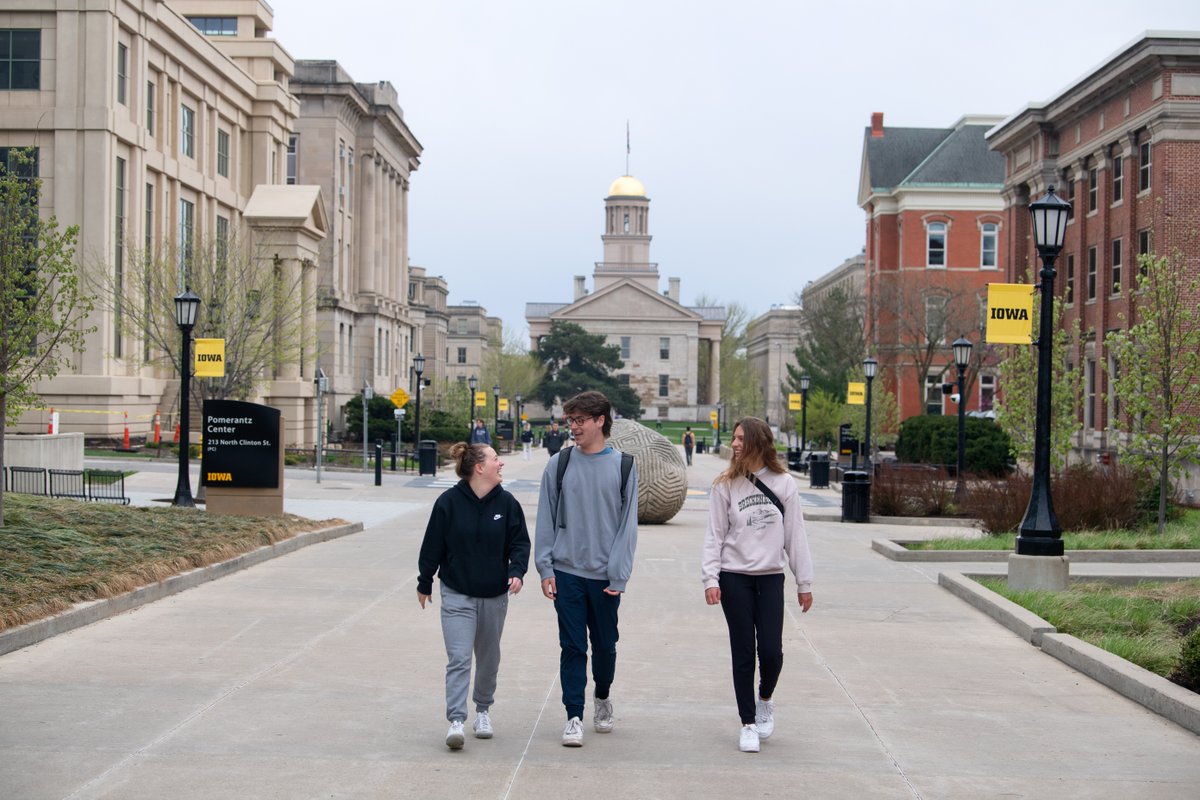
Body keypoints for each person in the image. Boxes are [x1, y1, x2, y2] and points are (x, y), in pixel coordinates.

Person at [701, 416, 813, 754]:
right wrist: (710, 577)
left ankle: (765, 698)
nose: (734, 444)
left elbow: (796, 536)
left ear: (758, 443)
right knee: (744, 652)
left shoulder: (784, 484)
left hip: (770, 578)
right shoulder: (725, 485)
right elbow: (714, 536)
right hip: (734, 578)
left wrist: (803, 581)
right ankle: (748, 722)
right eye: (733, 438)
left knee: (771, 652)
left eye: (740, 439)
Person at [535, 391, 638, 747]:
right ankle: (573, 715)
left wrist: (619, 574)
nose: (574, 427)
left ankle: (603, 695)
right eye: (571, 421)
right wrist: (545, 568)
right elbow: (545, 518)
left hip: (606, 577)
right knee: (573, 646)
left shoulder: (624, 466)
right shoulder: (558, 465)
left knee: (606, 647)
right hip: (566, 572)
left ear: (600, 420)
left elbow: (628, 527)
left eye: (580, 420)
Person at [417, 442, 530, 750]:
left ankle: (483, 710)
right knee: (459, 658)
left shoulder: (507, 504)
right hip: (456, 594)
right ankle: (456, 720)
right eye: (496, 459)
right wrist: (424, 581)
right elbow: (432, 545)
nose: (501, 463)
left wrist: (517, 571)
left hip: (494, 596)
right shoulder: (448, 503)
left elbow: (519, 543)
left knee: (489, 659)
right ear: (480, 467)